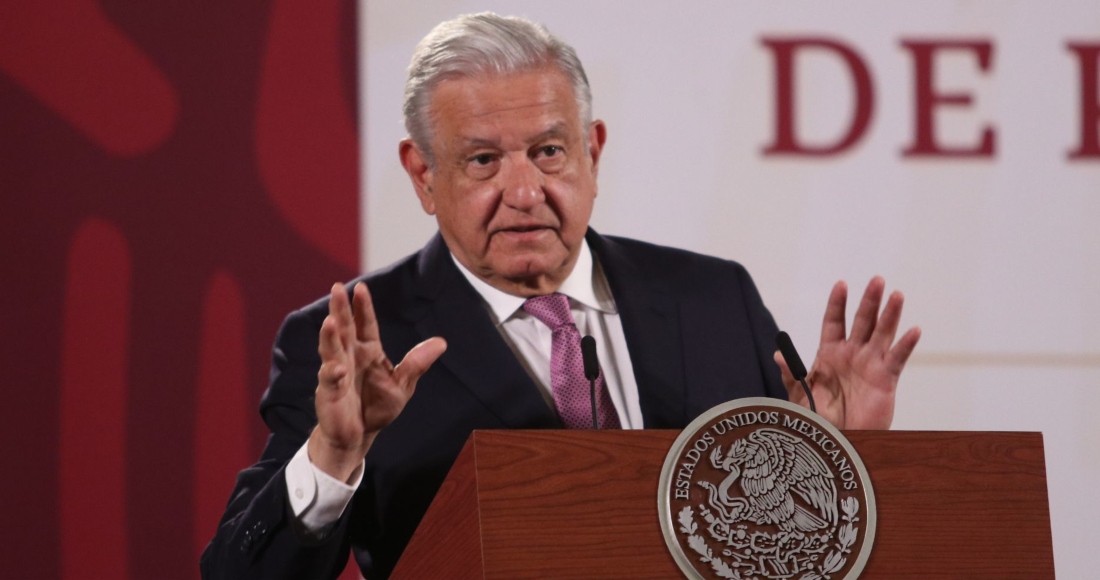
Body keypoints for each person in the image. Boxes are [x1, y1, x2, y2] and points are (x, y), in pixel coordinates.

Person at [200, 12, 920, 580]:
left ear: (592, 152)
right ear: (422, 174)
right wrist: (333, 454)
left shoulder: (713, 299)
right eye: (483, 160)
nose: (524, 193)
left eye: (549, 151)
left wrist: (836, 459)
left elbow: (784, 553)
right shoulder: (360, 341)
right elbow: (241, 572)